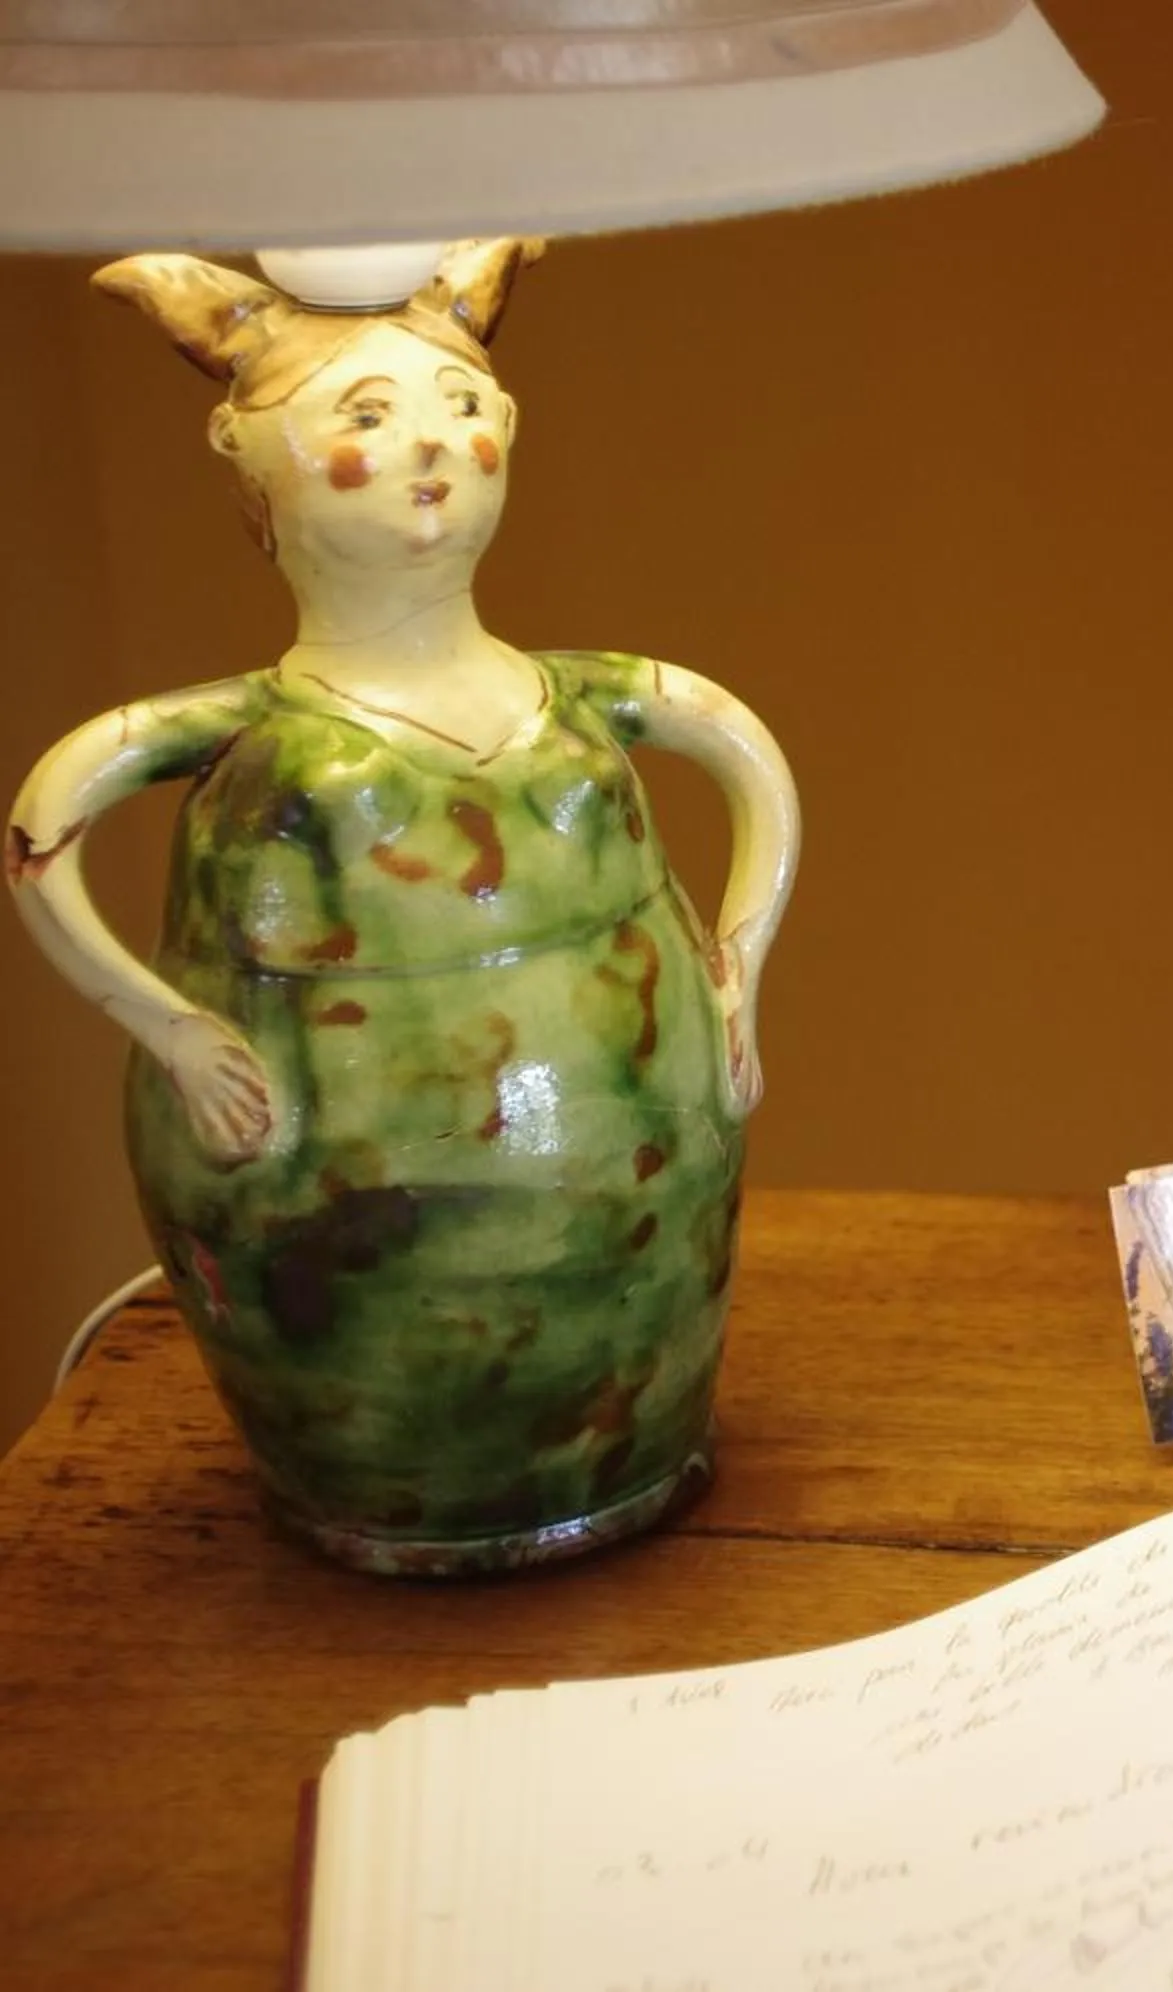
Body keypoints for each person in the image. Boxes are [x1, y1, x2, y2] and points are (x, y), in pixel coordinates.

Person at [4, 240, 800, 1573]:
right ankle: (383, 1500)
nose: (429, 449)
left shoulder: (576, 706)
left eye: (458, 411)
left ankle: (623, 1461)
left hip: (639, 1150)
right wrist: (180, 1035)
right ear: (254, 463)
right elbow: (49, 815)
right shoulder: (258, 744)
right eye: (365, 420)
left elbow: (740, 745)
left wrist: (735, 970)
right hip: (310, 1176)